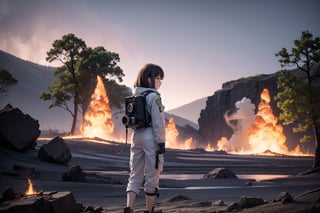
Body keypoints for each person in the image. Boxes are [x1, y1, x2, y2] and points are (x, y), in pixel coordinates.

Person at [124, 63, 166, 213]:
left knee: (134, 173)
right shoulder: (154, 97)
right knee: (152, 173)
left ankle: (128, 208)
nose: (160, 82)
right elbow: (158, 121)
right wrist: (161, 142)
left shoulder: (135, 94)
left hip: (137, 135)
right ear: (149, 79)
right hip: (150, 137)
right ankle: (149, 210)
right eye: (158, 78)